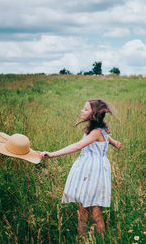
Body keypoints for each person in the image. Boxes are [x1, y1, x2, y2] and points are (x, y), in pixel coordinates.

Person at [40, 99, 121, 234]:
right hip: (88, 172)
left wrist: (52, 154)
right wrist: (115, 143)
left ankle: (100, 239)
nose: (82, 111)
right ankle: (81, 238)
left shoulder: (97, 132)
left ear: (93, 114)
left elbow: (78, 146)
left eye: (85, 109)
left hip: (96, 173)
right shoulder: (97, 131)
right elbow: (109, 139)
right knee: (83, 209)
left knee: (96, 212)